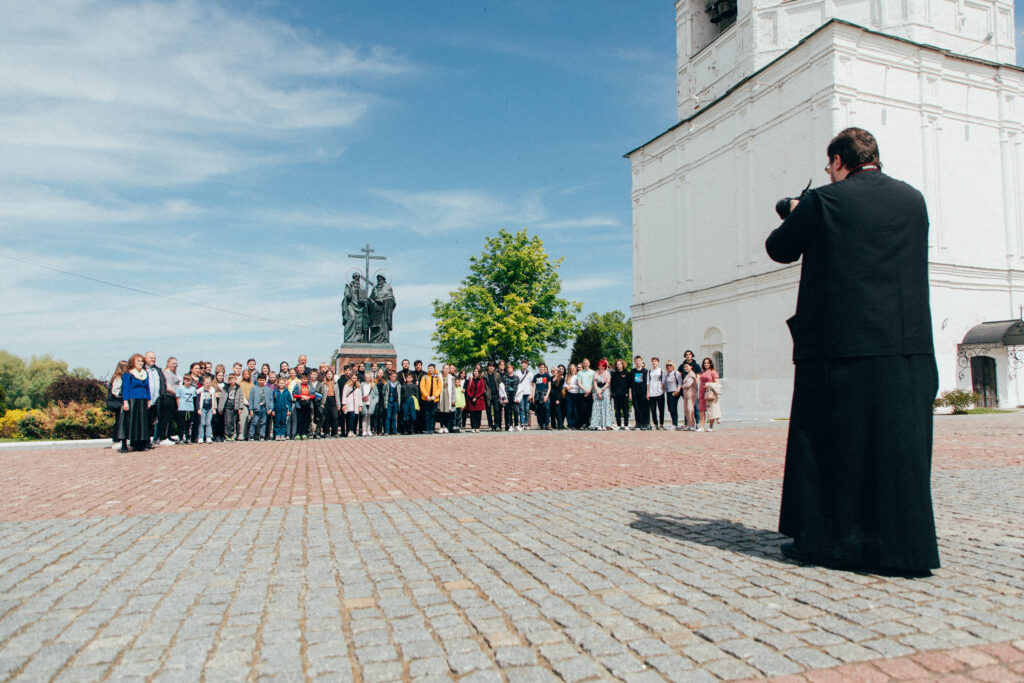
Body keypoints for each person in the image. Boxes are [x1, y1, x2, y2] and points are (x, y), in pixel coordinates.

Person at [766, 127, 939, 576]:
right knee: (897, 451)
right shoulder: (913, 199)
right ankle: (904, 549)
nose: (829, 173)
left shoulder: (825, 201)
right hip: (907, 346)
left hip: (839, 347)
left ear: (840, 162)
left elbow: (779, 249)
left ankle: (827, 543)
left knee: (828, 447)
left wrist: (794, 210)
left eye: (829, 166)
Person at [119, 353, 151, 452]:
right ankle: (124, 444)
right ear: (133, 362)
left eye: (142, 361)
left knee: (141, 423)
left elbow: (147, 387)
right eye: (138, 361)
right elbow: (125, 388)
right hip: (132, 400)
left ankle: (139, 444)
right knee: (129, 422)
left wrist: (148, 400)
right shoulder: (128, 374)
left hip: (142, 400)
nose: (140, 363)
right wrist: (125, 401)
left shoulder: (145, 374)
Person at [107, 360, 129, 451]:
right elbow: (115, 392)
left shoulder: (121, 377)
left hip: (120, 402)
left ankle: (119, 440)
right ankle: (116, 440)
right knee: (119, 421)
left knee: (121, 421)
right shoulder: (118, 378)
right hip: (118, 402)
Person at [248, 373, 273, 441]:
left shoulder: (268, 389)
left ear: (265, 380)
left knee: (263, 422)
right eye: (260, 380)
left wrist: (270, 408)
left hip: (264, 408)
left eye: (263, 380)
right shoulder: (254, 388)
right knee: (254, 422)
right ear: (257, 380)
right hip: (256, 408)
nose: (261, 381)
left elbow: (271, 400)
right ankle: (251, 435)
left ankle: (262, 435)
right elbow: (251, 399)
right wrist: (251, 409)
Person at [589, 359, 613, 430]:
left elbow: (608, 383)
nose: (601, 367)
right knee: (597, 407)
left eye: (602, 366)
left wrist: (602, 390)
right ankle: (597, 424)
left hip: (605, 390)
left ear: (605, 366)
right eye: (600, 365)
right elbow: (595, 382)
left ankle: (605, 424)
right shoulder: (596, 372)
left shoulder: (607, 373)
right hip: (597, 390)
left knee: (605, 407)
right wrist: (598, 392)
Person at [175, 373, 197, 444]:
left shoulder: (193, 389)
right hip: (182, 408)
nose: (188, 382)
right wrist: (179, 406)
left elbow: (194, 398)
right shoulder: (180, 388)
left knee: (189, 424)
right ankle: (180, 438)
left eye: (189, 381)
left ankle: (188, 438)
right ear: (184, 380)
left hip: (190, 408)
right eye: (186, 380)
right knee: (181, 424)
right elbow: (178, 398)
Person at [418, 364, 441, 434]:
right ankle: (427, 429)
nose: (430, 369)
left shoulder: (437, 377)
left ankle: (432, 428)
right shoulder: (424, 377)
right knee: (427, 414)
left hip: (434, 399)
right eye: (429, 368)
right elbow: (422, 387)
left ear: (434, 369)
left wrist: (435, 396)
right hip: (426, 399)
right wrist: (426, 396)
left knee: (433, 414)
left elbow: (440, 388)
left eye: (431, 368)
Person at [681, 350, 701, 427]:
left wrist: (695, 385)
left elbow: (698, 376)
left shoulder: (696, 366)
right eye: (686, 354)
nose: (688, 356)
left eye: (689, 354)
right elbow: (679, 375)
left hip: (692, 390)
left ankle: (697, 422)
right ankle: (688, 423)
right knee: (687, 408)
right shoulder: (682, 365)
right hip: (685, 391)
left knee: (694, 406)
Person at [629, 357, 650, 430]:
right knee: (636, 409)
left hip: (643, 393)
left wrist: (648, 393)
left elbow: (648, 383)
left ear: (641, 362)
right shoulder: (632, 372)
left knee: (644, 409)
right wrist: (630, 394)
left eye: (639, 361)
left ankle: (645, 423)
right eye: (636, 361)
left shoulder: (646, 371)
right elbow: (630, 385)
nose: (637, 362)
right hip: (635, 393)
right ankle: (638, 423)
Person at [530, 363, 552, 429]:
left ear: (544, 368)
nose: (541, 368)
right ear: (538, 368)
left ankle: (547, 424)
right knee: (538, 410)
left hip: (545, 393)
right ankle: (540, 424)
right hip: (537, 394)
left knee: (546, 409)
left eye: (543, 367)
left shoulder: (547, 376)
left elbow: (549, 387)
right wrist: (533, 396)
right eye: (540, 367)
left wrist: (547, 395)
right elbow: (534, 387)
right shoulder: (535, 376)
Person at [513, 360, 534, 431]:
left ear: (527, 365)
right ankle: (522, 423)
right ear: (521, 364)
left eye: (526, 364)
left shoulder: (530, 373)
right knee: (521, 409)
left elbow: (532, 384)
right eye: (523, 364)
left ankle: (526, 423)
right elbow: (516, 383)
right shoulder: (518, 373)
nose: (524, 365)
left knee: (527, 409)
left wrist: (531, 394)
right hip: (520, 393)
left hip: (528, 393)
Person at [464, 367, 486, 433]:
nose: (475, 372)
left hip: (479, 399)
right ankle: (473, 427)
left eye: (477, 371)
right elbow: (468, 389)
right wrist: (471, 397)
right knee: (472, 414)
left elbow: (482, 390)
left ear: (479, 373)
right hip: (471, 399)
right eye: (474, 371)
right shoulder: (471, 380)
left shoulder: (481, 380)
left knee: (478, 414)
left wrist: (476, 397)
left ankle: (477, 427)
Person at [610, 359, 630, 430]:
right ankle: (618, 425)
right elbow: (612, 384)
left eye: (620, 364)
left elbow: (628, 384)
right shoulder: (614, 374)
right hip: (616, 395)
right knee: (617, 410)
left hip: (624, 395)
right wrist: (613, 393)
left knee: (625, 410)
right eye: (617, 364)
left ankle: (626, 425)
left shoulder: (626, 373)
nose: (618, 366)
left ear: (622, 365)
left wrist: (627, 393)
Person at [647, 357, 666, 430]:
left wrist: (662, 387)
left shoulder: (661, 371)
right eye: (653, 361)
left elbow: (663, 381)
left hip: (660, 392)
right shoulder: (649, 372)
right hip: (652, 393)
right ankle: (655, 424)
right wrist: (648, 393)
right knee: (653, 410)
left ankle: (661, 424)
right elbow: (648, 383)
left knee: (661, 409)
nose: (654, 363)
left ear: (658, 362)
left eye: (655, 361)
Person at [663, 360, 683, 430]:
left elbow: (680, 382)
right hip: (668, 392)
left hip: (674, 392)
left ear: (673, 366)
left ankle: (675, 424)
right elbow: (664, 383)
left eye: (670, 365)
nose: (669, 367)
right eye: (667, 365)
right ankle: (673, 423)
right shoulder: (667, 374)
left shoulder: (676, 373)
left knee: (673, 408)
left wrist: (677, 390)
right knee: (670, 408)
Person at [197, 375, 217, 444]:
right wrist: (198, 409)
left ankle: (208, 437)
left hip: (209, 409)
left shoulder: (212, 390)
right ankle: (200, 437)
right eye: (206, 382)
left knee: (208, 423)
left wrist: (214, 408)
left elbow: (214, 400)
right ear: (203, 383)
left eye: (209, 382)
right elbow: (198, 400)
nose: (208, 384)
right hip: (203, 408)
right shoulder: (200, 390)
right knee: (202, 423)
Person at [576, 359, 595, 429]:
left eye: (587, 363)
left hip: (590, 393)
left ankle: (589, 423)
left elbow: (593, 383)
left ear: (589, 363)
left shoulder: (593, 372)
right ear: (583, 364)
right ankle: (584, 423)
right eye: (584, 363)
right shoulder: (580, 373)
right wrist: (585, 390)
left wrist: (589, 391)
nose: (585, 364)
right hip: (582, 393)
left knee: (590, 409)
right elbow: (579, 383)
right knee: (583, 409)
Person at [322, 369, 340, 437]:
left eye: (330, 374)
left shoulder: (335, 383)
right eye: (328, 374)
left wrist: (338, 404)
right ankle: (326, 432)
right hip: (326, 400)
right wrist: (322, 404)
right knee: (326, 417)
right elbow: (322, 394)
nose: (329, 375)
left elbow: (337, 394)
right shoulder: (323, 383)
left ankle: (334, 432)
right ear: (326, 375)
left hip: (333, 400)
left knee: (335, 417)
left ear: (333, 375)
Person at [681, 363, 698, 431]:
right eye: (684, 367)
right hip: (686, 394)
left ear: (691, 367)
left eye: (687, 366)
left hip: (691, 393)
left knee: (690, 409)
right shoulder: (687, 374)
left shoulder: (691, 374)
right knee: (686, 409)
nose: (686, 368)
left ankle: (692, 425)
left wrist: (682, 386)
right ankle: (689, 424)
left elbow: (688, 384)